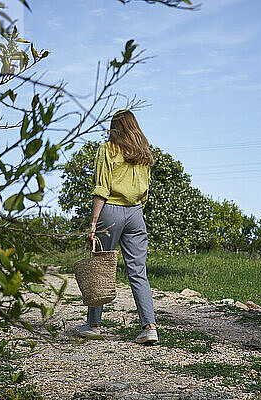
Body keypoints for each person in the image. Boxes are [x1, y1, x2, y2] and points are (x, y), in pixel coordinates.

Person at [74, 109, 158, 344]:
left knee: (100, 267)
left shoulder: (107, 149)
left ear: (115, 128)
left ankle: (93, 325)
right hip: (136, 212)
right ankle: (149, 326)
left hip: (110, 210)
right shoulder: (144, 154)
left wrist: (93, 224)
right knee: (138, 270)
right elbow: (146, 190)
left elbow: (101, 188)